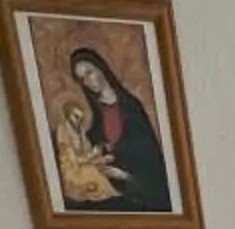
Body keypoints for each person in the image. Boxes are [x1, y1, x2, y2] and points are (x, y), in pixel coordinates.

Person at [63, 45, 173, 213]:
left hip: (138, 193)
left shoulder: (132, 108)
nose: (87, 82)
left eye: (89, 73)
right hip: (107, 187)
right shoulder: (95, 115)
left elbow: (151, 163)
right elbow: (94, 147)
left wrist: (124, 175)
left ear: (101, 68)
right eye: (81, 79)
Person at [53, 97, 124, 205]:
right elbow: (73, 159)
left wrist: (102, 158)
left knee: (110, 171)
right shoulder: (62, 131)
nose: (78, 121)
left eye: (80, 118)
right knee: (92, 171)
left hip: (83, 164)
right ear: (67, 114)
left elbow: (88, 152)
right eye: (75, 117)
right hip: (71, 169)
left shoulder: (81, 131)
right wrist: (92, 155)